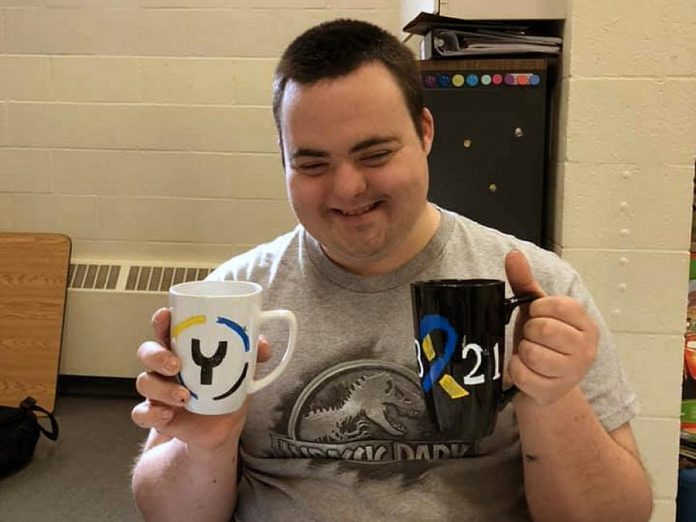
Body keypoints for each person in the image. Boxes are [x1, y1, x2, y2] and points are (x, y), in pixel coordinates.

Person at [130, 19, 653, 522]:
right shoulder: (231, 301)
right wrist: (207, 444)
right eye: (312, 164)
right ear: (283, 159)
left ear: (424, 132)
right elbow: (168, 513)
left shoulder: (542, 291)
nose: (347, 189)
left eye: (375, 154)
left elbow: (618, 514)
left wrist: (551, 400)